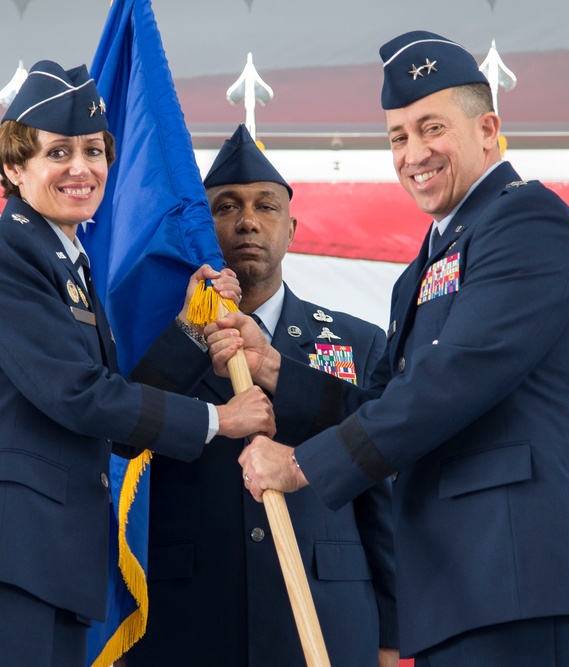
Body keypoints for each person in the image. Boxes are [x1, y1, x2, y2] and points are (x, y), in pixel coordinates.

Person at [212, 31, 569, 666]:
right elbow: (387, 400)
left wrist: (302, 465)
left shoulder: (527, 223)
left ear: (488, 129)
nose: (414, 153)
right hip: (453, 589)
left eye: (431, 127)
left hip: (520, 578)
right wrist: (273, 367)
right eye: (398, 137)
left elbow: (450, 384)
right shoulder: (425, 266)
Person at [0, 61, 274, 667]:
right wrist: (220, 421)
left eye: (94, 151)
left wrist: (188, 329)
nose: (82, 168)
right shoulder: (2, 255)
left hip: (48, 571)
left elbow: (108, 407)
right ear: (14, 167)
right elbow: (79, 396)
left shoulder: (66, 262)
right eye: (59, 152)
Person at [124, 125, 399, 667]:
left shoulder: (357, 343)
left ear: (292, 229)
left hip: (326, 616)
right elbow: (125, 436)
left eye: (266, 206)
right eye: (226, 207)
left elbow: (382, 489)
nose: (247, 220)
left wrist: (391, 633)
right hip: (188, 622)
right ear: (202, 228)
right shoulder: (161, 345)